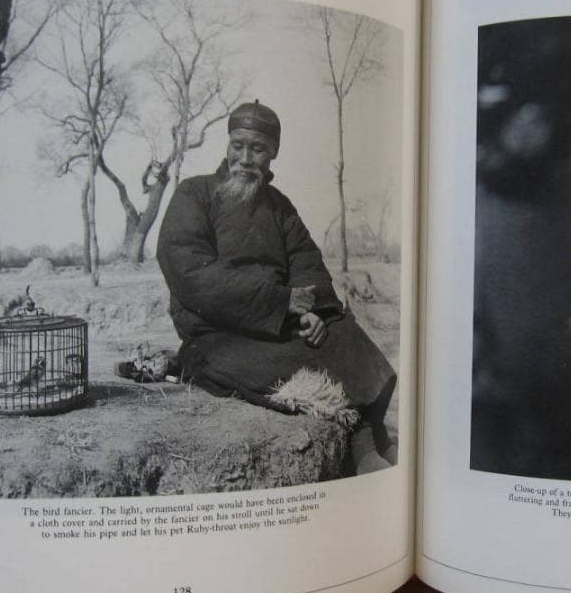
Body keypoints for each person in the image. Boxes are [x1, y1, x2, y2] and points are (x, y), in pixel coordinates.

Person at [156, 100, 396, 474]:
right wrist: (281, 302)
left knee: (342, 333)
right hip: (218, 329)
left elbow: (307, 263)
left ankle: (373, 438)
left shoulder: (279, 206)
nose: (246, 157)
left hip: (282, 318)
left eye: (258, 148)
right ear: (228, 145)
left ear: (273, 153)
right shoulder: (194, 193)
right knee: (284, 359)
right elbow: (189, 272)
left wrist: (314, 313)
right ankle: (365, 447)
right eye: (239, 145)